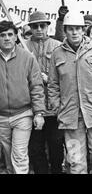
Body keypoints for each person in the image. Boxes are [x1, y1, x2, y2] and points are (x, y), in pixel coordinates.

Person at [48, 11, 92, 174]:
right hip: (70, 115)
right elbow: (53, 84)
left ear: (83, 30)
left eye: (78, 28)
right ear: (65, 30)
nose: (75, 32)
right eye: (70, 29)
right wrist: (57, 106)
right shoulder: (57, 54)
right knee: (76, 160)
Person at [0, 21, 45, 174]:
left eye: (10, 35)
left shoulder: (27, 58)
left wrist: (39, 113)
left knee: (19, 154)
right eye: (2, 35)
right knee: (7, 156)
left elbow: (37, 86)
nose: (6, 38)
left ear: (16, 37)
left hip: (23, 114)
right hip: (1, 117)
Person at [25, 12, 64, 174]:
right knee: (35, 148)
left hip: (54, 107)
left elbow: (67, 75)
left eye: (43, 25)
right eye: (35, 26)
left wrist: (50, 79)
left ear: (48, 26)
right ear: (30, 28)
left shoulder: (58, 46)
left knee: (56, 145)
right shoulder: (23, 46)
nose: (39, 29)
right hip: (32, 107)